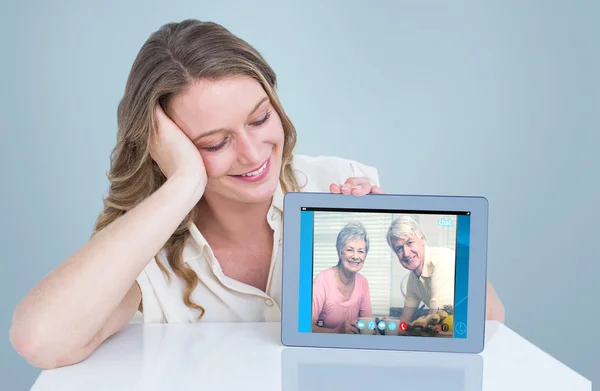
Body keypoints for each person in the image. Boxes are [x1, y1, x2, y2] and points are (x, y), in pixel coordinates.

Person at [8, 19, 502, 370]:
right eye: (215, 143)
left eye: (261, 118)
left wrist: (399, 227)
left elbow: (490, 323)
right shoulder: (146, 256)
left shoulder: (337, 180)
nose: (252, 153)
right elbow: (40, 340)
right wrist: (182, 184)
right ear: (168, 150)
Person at [387, 216, 505, 325]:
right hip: (463, 327)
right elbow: (405, 321)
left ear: (422, 238)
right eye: (399, 249)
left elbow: (433, 320)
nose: (406, 253)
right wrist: (390, 325)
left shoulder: (441, 261)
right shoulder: (413, 279)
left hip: (489, 324)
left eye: (410, 243)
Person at [312, 222, 373, 334]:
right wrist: (336, 332)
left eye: (360, 251)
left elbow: (368, 326)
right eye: (349, 250)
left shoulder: (363, 282)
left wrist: (374, 328)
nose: (355, 256)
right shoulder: (322, 280)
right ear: (340, 251)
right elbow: (306, 327)